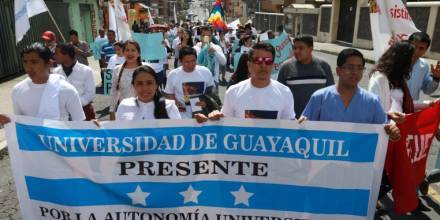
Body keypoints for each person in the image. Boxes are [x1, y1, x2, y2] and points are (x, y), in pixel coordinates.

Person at [299, 48, 400, 138]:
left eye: (359, 68)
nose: (355, 72)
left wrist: (392, 132)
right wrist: (301, 125)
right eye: (350, 67)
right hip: (324, 157)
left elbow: (384, 131)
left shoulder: (373, 101)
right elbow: (304, 129)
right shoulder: (320, 97)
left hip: (358, 157)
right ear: (338, 71)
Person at [0, 43, 85, 126]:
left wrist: (92, 127)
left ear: (49, 63)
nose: (28, 67)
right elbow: (20, 124)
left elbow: (80, 124)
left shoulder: (67, 90)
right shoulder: (17, 90)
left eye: (34, 62)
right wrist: (8, 121)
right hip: (31, 140)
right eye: (25, 62)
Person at [209, 43, 295, 120]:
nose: (263, 65)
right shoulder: (233, 92)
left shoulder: (285, 93)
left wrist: (304, 125)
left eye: (268, 61)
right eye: (258, 60)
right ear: (249, 65)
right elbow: (225, 125)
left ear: (273, 65)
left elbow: (289, 128)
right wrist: (214, 119)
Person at [278, 35, 334, 118]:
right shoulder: (286, 67)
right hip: (293, 121)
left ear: (310, 49)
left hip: (318, 122)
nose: (297, 51)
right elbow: (280, 96)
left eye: (301, 48)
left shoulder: (324, 67)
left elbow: (331, 95)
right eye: (295, 48)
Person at [368, 41, 416, 120]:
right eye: (412, 57)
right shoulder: (379, 78)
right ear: (402, 59)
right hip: (385, 127)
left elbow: (404, 103)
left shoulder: (399, 78)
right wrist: (389, 116)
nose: (413, 60)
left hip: (398, 126)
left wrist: (429, 104)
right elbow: (372, 107)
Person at [164, 46, 216, 119]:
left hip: (203, 114)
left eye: (193, 61)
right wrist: (176, 103)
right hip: (181, 116)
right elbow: (169, 94)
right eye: (187, 62)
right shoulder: (173, 75)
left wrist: (206, 102)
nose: (191, 64)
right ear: (180, 61)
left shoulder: (205, 72)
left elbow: (212, 93)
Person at [116, 66, 181, 120]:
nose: (145, 88)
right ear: (133, 86)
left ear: (156, 85)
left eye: (149, 83)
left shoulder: (170, 106)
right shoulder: (124, 105)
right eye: (139, 84)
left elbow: (178, 131)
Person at [109, 40, 150, 120]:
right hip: (125, 112)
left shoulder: (147, 68)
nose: (130, 53)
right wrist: (112, 111)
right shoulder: (117, 70)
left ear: (138, 53)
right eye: (127, 50)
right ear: (123, 52)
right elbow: (114, 91)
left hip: (146, 112)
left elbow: (154, 90)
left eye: (133, 50)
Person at [54, 43, 96, 121]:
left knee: (87, 133)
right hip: (63, 115)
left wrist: (73, 104)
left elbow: (90, 94)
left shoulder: (86, 71)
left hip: (85, 112)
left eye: (56, 54)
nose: (54, 56)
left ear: (66, 55)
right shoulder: (55, 72)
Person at [407, 32, 440, 109]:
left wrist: (436, 78)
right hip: (391, 109)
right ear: (407, 44)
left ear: (426, 50)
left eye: (421, 48)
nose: (416, 51)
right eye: (413, 46)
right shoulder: (395, 61)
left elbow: (427, 90)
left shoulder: (423, 66)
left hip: (411, 109)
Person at [194, 26, 226, 93]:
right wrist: (203, 50)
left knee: (213, 102)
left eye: (208, 35)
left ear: (211, 37)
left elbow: (224, 62)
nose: (206, 38)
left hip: (213, 81)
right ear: (200, 36)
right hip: (198, 80)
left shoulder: (216, 47)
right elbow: (195, 64)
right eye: (204, 35)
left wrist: (215, 52)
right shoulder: (195, 49)